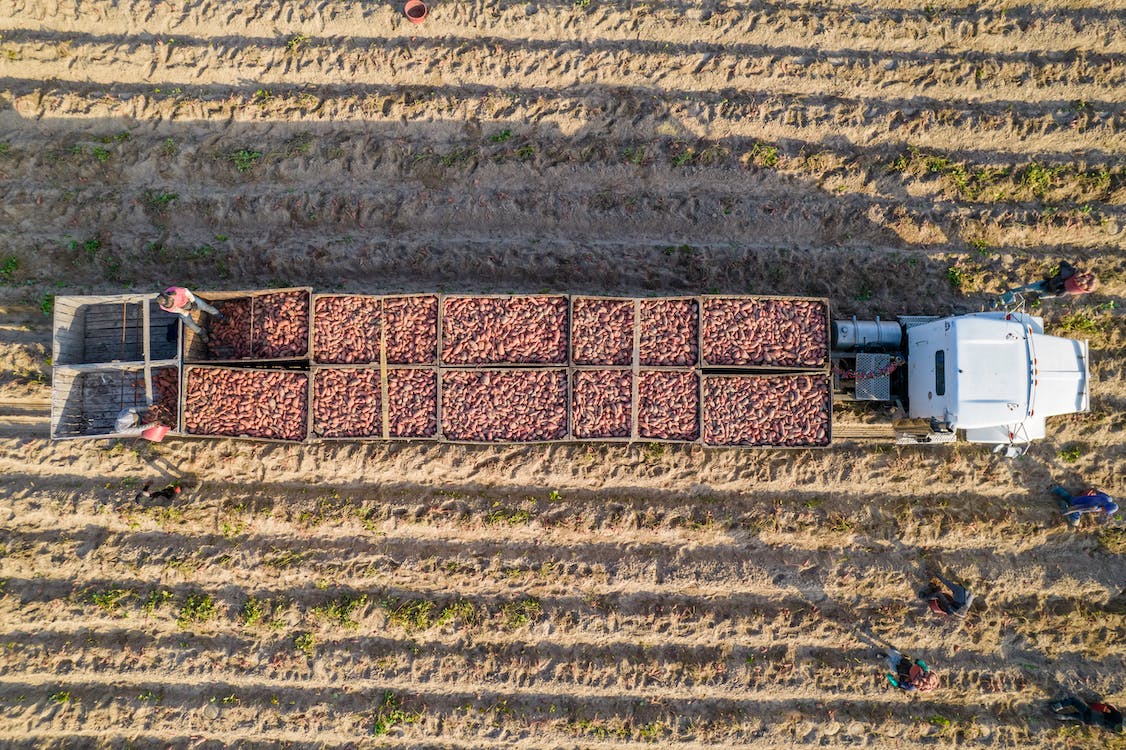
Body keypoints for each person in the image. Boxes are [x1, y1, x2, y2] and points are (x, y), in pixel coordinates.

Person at [997, 261, 1097, 306]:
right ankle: (1013, 293)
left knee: (1040, 295)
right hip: (1048, 284)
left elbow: (1059, 293)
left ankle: (1033, 297)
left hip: (1051, 289)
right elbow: (1063, 263)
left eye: (1080, 283)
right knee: (1027, 288)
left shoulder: (1069, 285)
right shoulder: (1071, 273)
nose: (1079, 282)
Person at [156, 286, 224, 341]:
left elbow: (187, 292)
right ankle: (201, 332)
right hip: (182, 309)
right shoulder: (164, 307)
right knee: (190, 324)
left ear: (170, 297)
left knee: (206, 307)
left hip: (189, 300)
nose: (172, 305)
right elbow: (177, 310)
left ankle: (219, 315)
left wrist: (193, 302)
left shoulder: (175, 291)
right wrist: (186, 311)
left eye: (172, 303)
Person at [1051, 485, 1119, 529]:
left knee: (1070, 498)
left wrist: (1087, 493)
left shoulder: (1108, 498)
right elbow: (1078, 508)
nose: (1104, 512)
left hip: (1079, 497)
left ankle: (1057, 489)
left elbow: (1094, 490)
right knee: (1074, 523)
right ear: (1105, 507)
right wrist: (1066, 512)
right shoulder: (1094, 507)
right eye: (1105, 510)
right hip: (1076, 506)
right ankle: (1063, 504)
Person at [1050, 695, 1123, 733]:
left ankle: (1056, 707)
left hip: (1091, 714)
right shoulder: (1118, 730)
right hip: (1092, 722)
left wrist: (1112, 708)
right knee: (1073, 716)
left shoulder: (1118, 716)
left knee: (1073, 701)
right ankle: (1058, 716)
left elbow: (1107, 709)